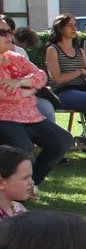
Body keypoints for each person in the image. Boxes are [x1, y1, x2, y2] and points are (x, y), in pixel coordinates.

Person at [0, 33, 73, 184]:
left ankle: (32, 182)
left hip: (31, 115)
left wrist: (20, 82)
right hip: (4, 117)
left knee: (62, 141)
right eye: (2, 32)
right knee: (22, 149)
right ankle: (17, 191)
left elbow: (41, 76)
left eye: (9, 31)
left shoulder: (15, 57)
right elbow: (4, 94)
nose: (8, 35)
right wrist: (30, 90)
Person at [0, 144, 34, 219]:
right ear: (1, 183)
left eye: (30, 177)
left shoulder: (18, 208)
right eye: (25, 178)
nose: (32, 182)